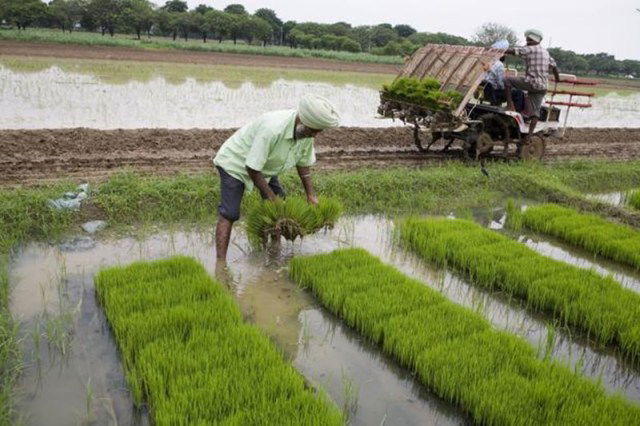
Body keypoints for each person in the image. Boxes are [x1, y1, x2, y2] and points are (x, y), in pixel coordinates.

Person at [213, 94, 340, 262]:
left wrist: (311, 195)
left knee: (281, 208)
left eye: (318, 132)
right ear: (303, 123)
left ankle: (274, 252)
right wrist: (270, 197)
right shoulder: (273, 129)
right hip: (235, 162)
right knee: (230, 213)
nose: (315, 135)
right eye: (313, 131)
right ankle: (220, 264)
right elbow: (251, 168)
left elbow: (303, 162)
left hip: (265, 166)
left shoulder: (305, 133)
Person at [504, 29, 560, 141]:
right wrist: (557, 79)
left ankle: (510, 104)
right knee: (535, 112)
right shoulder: (545, 52)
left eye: (528, 39)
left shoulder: (530, 49)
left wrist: (500, 50)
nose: (527, 41)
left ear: (534, 40)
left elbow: (515, 51)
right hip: (543, 87)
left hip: (531, 82)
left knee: (507, 80)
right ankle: (529, 136)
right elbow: (554, 66)